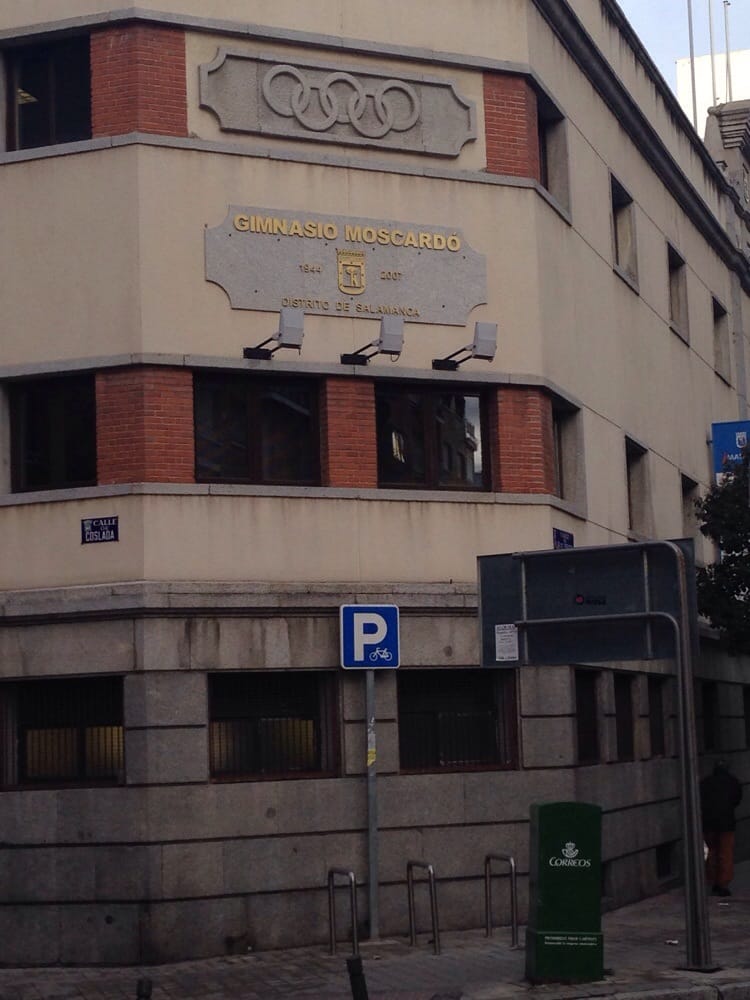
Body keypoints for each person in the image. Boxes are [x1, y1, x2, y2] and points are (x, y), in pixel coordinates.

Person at [700, 759, 743, 896]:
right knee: (725, 853)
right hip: (726, 823)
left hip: (708, 824)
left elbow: (700, 800)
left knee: (711, 852)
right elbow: (737, 799)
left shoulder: (705, 783)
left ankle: (712, 881)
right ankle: (722, 884)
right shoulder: (733, 782)